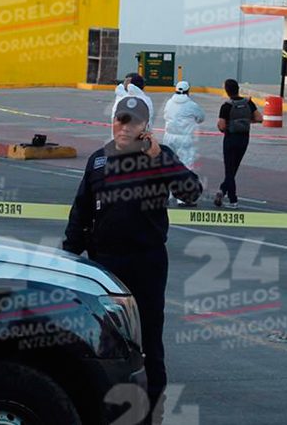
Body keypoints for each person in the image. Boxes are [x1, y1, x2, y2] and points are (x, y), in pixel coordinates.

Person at [63, 96, 202, 423]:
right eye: (120, 120)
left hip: (147, 265)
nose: (124, 127)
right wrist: (69, 258)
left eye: (132, 121)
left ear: (145, 127)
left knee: (148, 340)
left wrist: (159, 158)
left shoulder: (160, 157)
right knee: (104, 342)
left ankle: (151, 413)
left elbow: (191, 191)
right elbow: (81, 211)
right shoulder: (98, 161)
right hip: (105, 265)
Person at [214, 78, 261, 208]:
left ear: (227, 91)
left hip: (230, 138)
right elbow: (259, 118)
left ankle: (233, 200)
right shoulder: (248, 103)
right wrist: (246, 121)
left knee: (229, 169)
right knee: (234, 168)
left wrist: (223, 126)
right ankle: (222, 190)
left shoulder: (226, 106)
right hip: (244, 138)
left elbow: (222, 126)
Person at [162, 81, 206, 203]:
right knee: (186, 165)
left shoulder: (169, 103)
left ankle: (168, 193)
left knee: (168, 165)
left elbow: (165, 116)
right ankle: (183, 197)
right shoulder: (192, 105)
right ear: (188, 91)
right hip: (185, 138)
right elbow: (201, 117)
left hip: (169, 137)